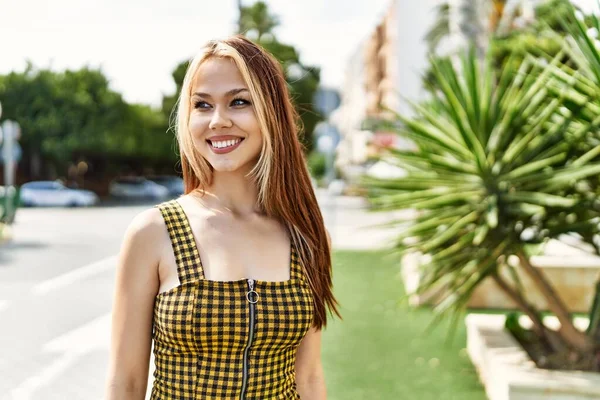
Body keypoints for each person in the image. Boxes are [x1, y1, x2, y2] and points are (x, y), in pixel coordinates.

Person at [105, 35, 340, 400]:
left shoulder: (305, 234)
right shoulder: (154, 232)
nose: (218, 121)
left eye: (239, 102)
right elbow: (126, 383)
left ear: (270, 113)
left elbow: (308, 377)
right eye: (202, 105)